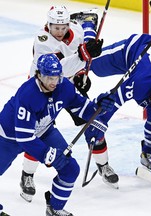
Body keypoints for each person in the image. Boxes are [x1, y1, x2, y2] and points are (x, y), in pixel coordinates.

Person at [20, 6, 119, 202]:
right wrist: (83, 55)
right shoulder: (42, 41)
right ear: (48, 25)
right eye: (55, 27)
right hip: (43, 88)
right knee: (40, 133)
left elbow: (80, 53)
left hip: (66, 86)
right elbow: (58, 69)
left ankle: (103, 164)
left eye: (63, 27)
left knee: (93, 122)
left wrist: (82, 73)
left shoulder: (76, 31)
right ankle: (27, 175)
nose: (59, 31)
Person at [0, 54, 114, 216]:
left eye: (56, 77)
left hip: (44, 130)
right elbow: (24, 137)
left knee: (70, 168)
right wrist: (48, 154)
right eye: (48, 77)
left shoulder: (64, 86)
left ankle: (55, 207)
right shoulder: (28, 94)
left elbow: (81, 108)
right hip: (8, 137)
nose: (53, 82)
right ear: (38, 75)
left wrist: (99, 106)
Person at [85, 34, 151, 185]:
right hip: (135, 48)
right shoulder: (140, 83)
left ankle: (148, 152)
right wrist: (100, 121)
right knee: (89, 62)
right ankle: (87, 28)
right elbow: (114, 98)